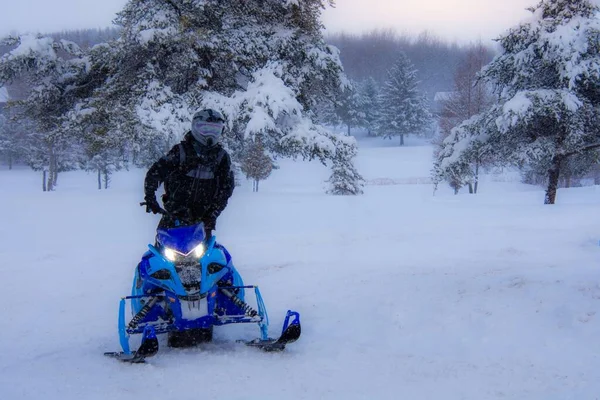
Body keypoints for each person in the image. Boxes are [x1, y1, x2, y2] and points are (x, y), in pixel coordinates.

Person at [143, 109, 235, 239]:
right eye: (205, 129)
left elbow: (226, 190)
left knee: (208, 257)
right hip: (173, 216)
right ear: (195, 128)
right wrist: (150, 197)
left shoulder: (221, 158)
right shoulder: (180, 152)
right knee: (159, 255)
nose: (210, 135)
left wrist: (213, 214)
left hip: (202, 220)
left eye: (215, 130)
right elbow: (156, 172)